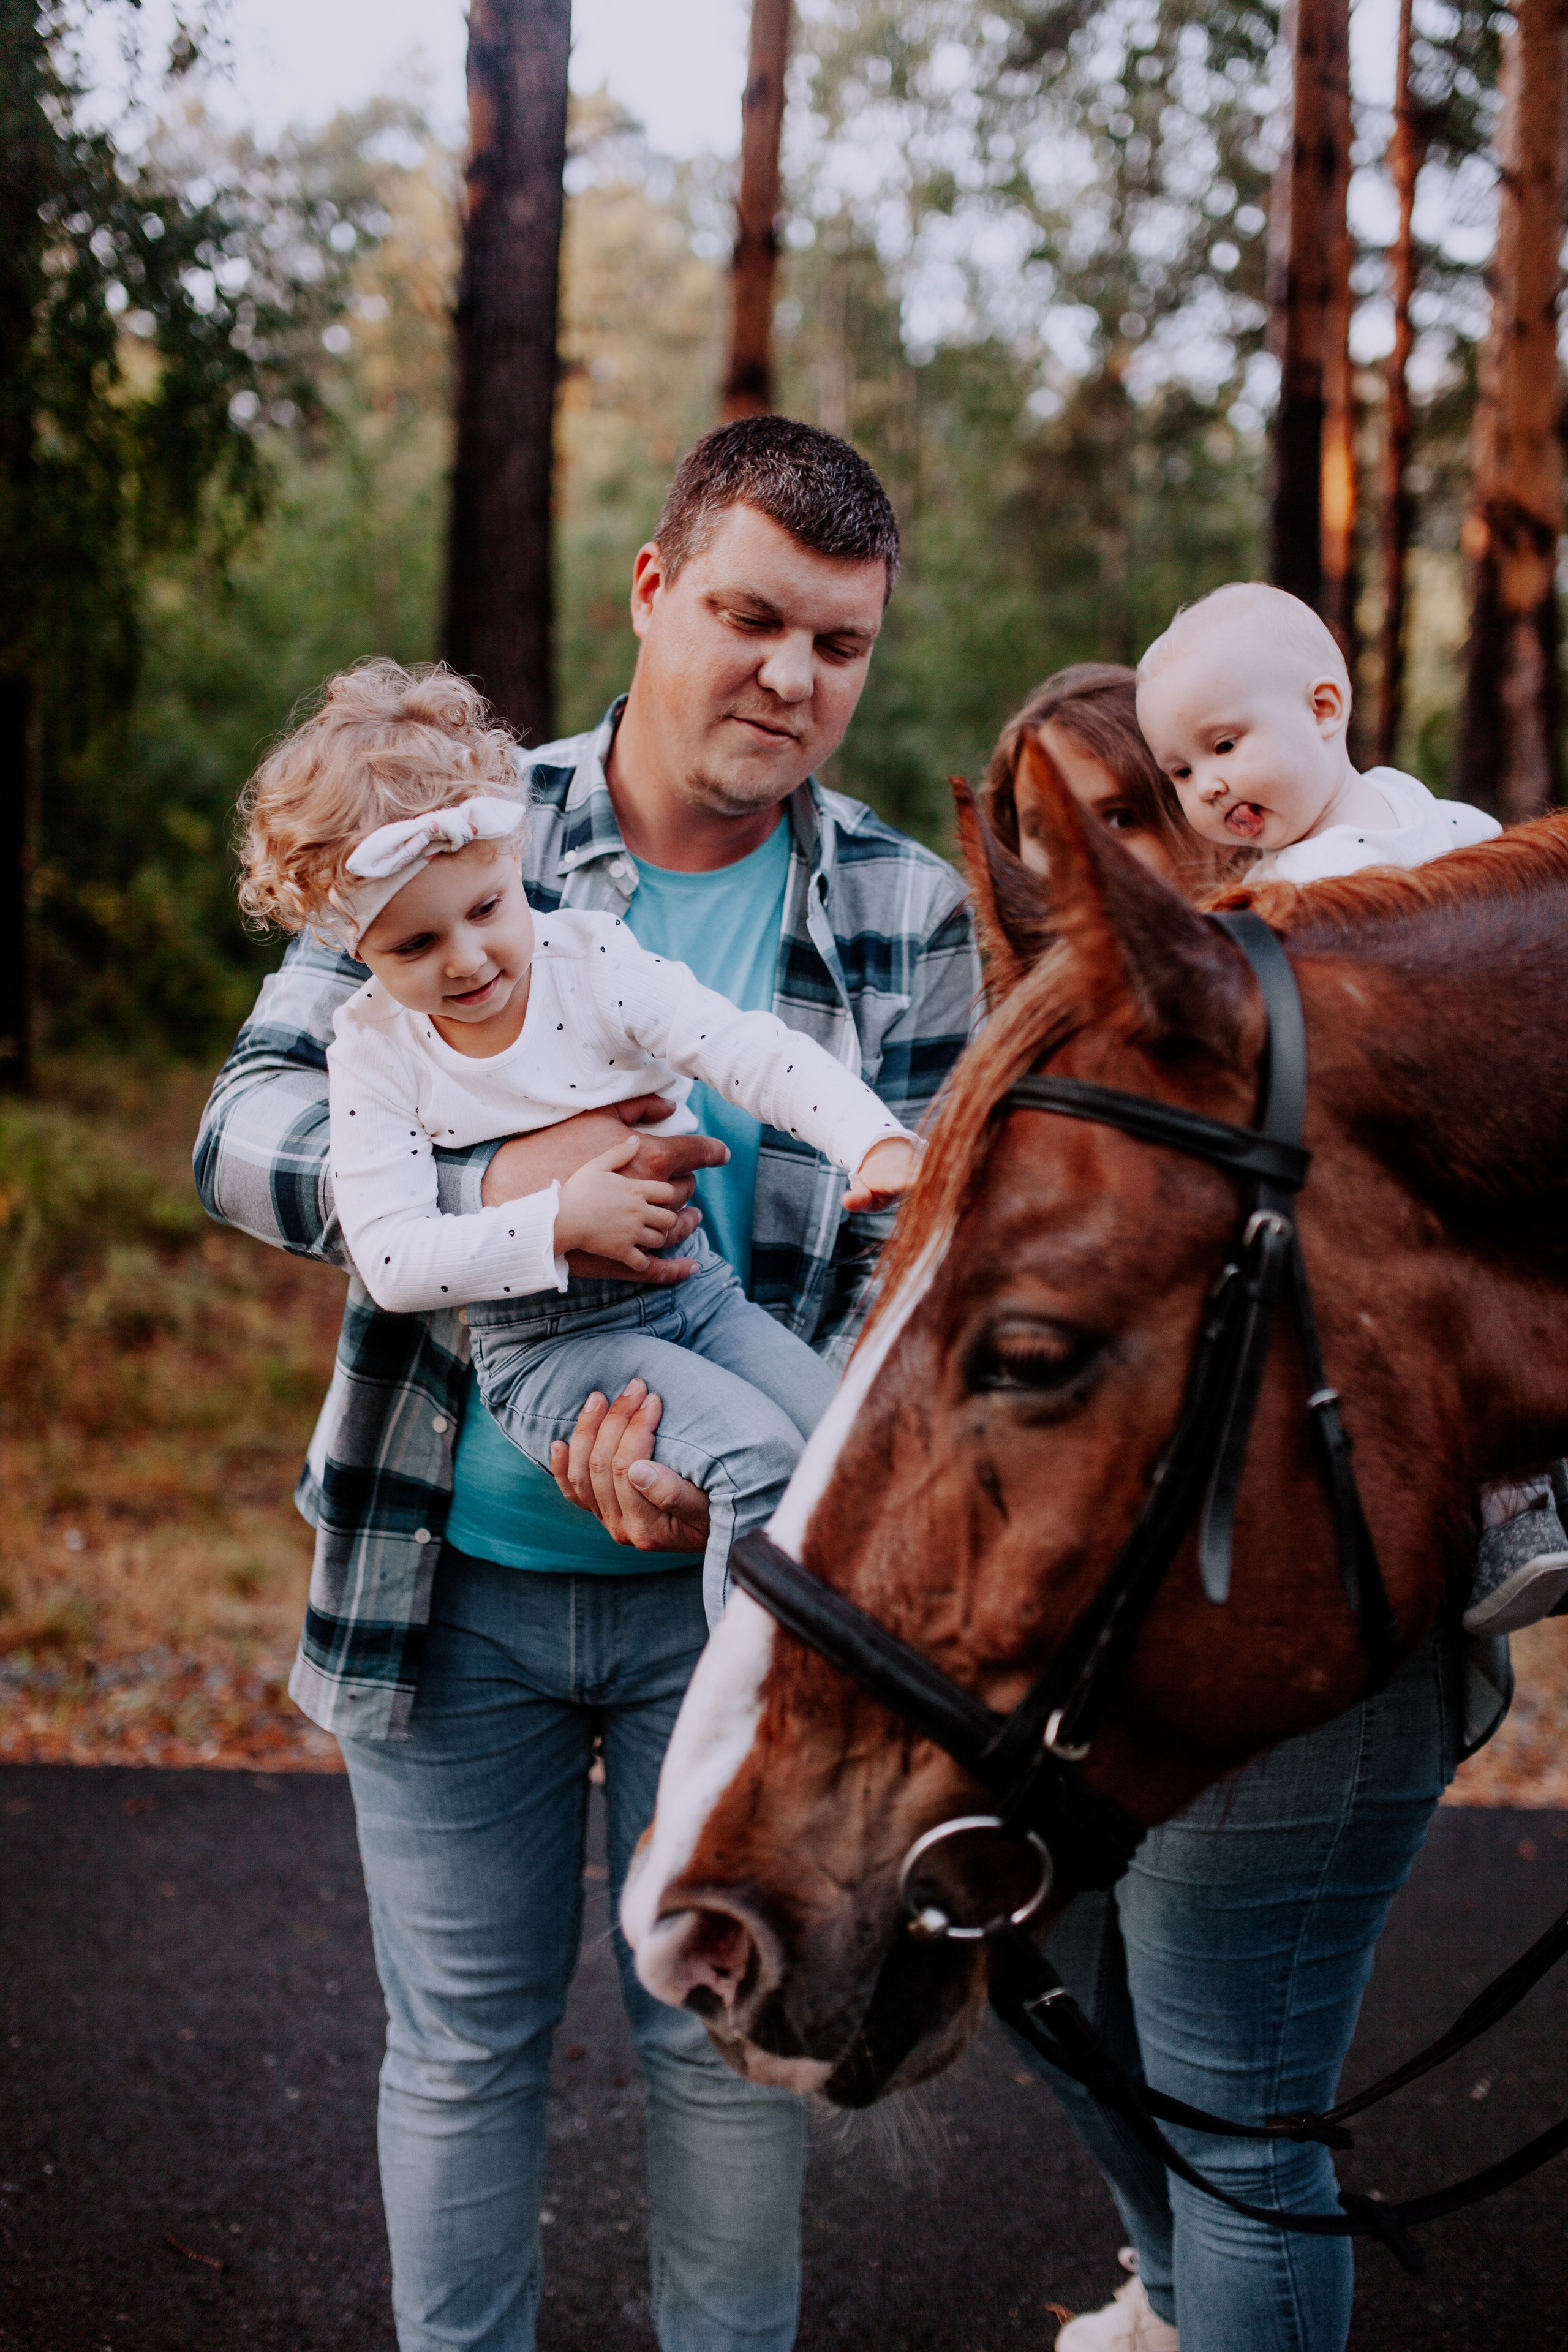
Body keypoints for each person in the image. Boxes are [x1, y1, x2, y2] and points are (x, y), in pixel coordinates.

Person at [194, 415, 979, 2352]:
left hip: (730, 1602)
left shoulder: (904, 910)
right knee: (461, 2051)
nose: (794, 679)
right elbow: (243, 1131)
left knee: (721, 2051)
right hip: (446, 1578)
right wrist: (517, 1192)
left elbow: (917, 1262)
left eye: (842, 644)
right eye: (750, 617)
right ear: (652, 593)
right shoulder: (445, 825)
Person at [974, 640, 1513, 2352]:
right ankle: (1183, 2296)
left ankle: (1213, 2284)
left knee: (1232, 2111)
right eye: (1060, 836)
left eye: (1146, 804)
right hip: (1115, 1648)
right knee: (1042, 1973)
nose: (1119, 857)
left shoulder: (1329, 981)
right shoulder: (1065, 1062)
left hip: (1308, 1624)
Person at [236, 660, 918, 1616]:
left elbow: (742, 1047)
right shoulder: (374, 1053)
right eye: (415, 946)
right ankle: (758, 1736)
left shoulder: (589, 961)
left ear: (512, 865)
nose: (468, 960)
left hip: (695, 1291)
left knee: (852, 1452)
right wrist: (557, 1218)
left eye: (484, 911)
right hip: (547, 1344)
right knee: (759, 1467)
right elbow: (391, 1260)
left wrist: (871, 1138)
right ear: (354, 948)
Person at [1136, 580, 1568, 1636]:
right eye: (1183, 771)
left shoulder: (1332, 883)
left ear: (1323, 709)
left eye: (1226, 744)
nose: (1208, 785)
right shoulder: (1427, 824)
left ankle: (1509, 1525)